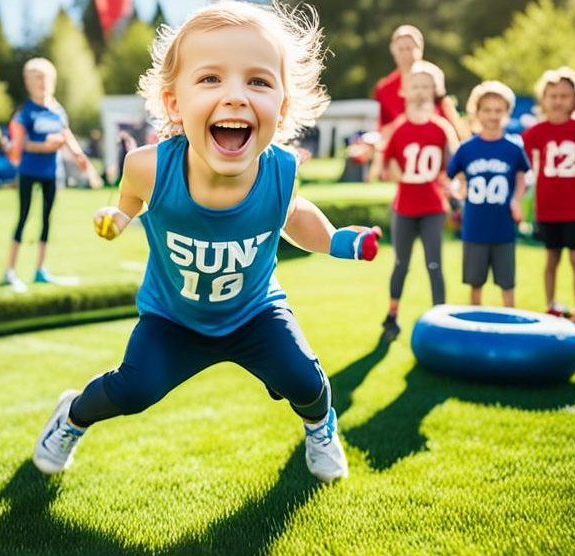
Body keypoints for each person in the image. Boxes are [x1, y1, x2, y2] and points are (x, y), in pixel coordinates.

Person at [31, 1, 382, 483]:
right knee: (133, 390)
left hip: (254, 312)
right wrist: (120, 215)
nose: (236, 96)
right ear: (174, 103)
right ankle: (72, 416)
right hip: (174, 317)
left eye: (257, 81)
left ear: (281, 107)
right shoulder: (150, 167)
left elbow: (293, 215)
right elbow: (131, 194)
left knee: (305, 379)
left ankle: (321, 427)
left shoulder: (282, 169)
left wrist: (338, 241)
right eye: (211, 79)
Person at [4, 57, 98, 292]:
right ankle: (10, 271)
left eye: (45, 78)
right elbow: (20, 144)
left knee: (46, 220)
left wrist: (79, 156)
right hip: (28, 171)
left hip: (51, 174)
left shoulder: (57, 111)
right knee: (23, 218)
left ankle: (40, 270)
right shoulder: (25, 112)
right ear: (27, 82)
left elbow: (66, 136)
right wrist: (44, 146)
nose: (42, 83)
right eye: (36, 78)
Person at [380, 61, 458, 341]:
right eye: (416, 85)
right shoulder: (399, 128)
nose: (421, 91)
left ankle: (441, 317)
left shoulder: (441, 128)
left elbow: (455, 163)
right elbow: (384, 165)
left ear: (435, 90)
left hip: (433, 207)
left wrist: (452, 183)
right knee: (401, 263)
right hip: (405, 207)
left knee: (434, 264)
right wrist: (388, 167)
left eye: (427, 85)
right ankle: (391, 315)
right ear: (405, 90)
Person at [523, 68, 575, 329]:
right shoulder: (535, 132)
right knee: (551, 259)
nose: (558, 101)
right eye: (552, 95)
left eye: (564, 95)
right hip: (547, 207)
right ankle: (551, 305)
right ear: (543, 99)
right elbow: (526, 165)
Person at [447, 81, 530, 307]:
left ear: (507, 113)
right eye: (487, 110)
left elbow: (523, 176)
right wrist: (458, 191)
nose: (493, 116)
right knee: (475, 283)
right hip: (474, 227)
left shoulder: (514, 148)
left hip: (503, 228)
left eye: (498, 110)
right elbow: (451, 177)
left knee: (507, 283)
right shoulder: (467, 148)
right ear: (477, 112)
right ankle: (474, 326)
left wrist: (516, 199)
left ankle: (510, 322)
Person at [369, 25, 468, 181]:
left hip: (435, 141)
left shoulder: (432, 75)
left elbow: (446, 110)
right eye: (401, 49)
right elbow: (384, 125)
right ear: (393, 50)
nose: (405, 53)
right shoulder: (385, 88)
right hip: (406, 149)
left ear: (420, 49)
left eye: (410, 48)